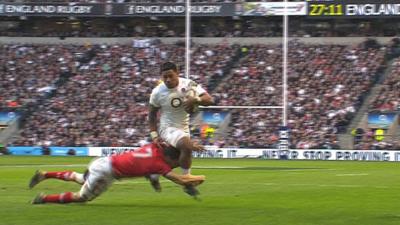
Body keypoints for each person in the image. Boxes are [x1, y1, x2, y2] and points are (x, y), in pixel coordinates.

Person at [29, 143, 205, 204]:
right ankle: (43, 198)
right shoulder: (160, 164)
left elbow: (152, 172)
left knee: (81, 178)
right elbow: (180, 180)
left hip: (104, 161)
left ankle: (45, 174)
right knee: (82, 197)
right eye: (175, 163)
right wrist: (199, 178)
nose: (175, 166)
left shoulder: (155, 147)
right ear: (170, 158)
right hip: (108, 172)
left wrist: (155, 182)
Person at [148, 62, 214, 190]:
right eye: (164, 77)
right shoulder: (157, 92)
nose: (167, 79)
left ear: (177, 73)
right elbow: (151, 115)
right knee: (186, 144)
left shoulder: (189, 85)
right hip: (167, 127)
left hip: (183, 128)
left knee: (175, 159)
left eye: (170, 76)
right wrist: (154, 135)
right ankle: (187, 181)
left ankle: (153, 173)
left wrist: (196, 100)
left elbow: (209, 100)